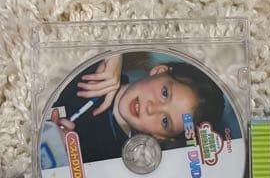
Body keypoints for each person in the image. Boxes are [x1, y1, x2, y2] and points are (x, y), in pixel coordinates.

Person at [44, 53, 225, 166]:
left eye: (165, 121)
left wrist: (63, 156)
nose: (152, 108)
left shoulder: (110, 160)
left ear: (160, 137)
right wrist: (113, 52)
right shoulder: (102, 67)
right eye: (164, 93)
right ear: (159, 70)